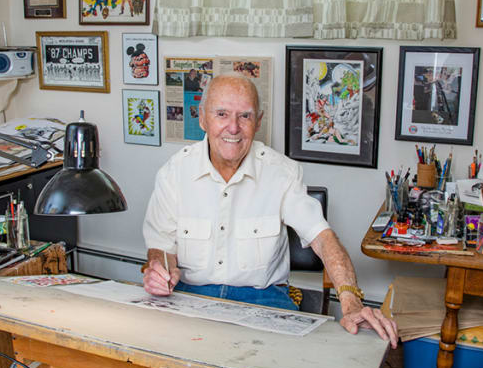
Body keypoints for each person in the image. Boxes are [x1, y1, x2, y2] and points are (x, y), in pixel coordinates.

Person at [142, 75, 398, 345]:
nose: (233, 127)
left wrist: (351, 302)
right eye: (222, 114)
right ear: (203, 118)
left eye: (245, 116)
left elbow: (323, 239)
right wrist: (160, 270)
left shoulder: (282, 173)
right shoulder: (174, 173)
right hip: (191, 295)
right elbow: (160, 246)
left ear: (258, 122)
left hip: (264, 300)